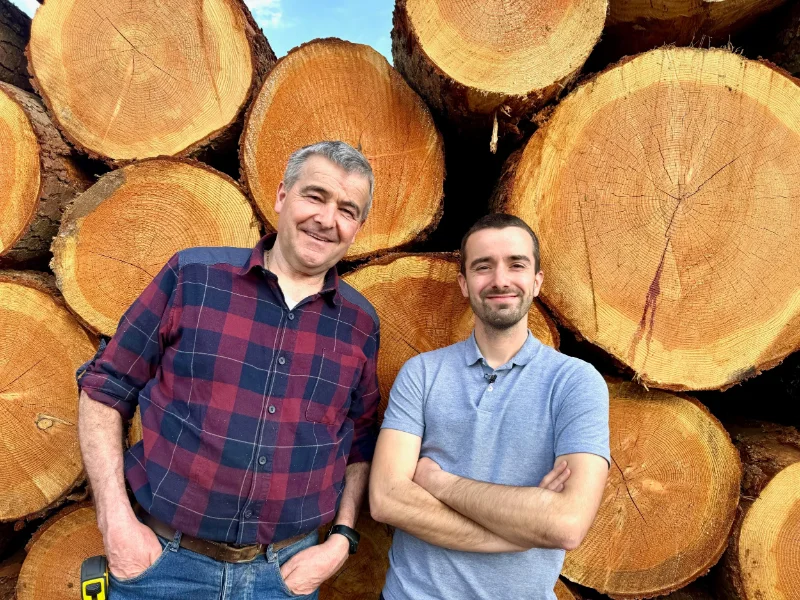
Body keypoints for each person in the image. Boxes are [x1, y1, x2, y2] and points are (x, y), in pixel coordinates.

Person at [77, 141, 381, 599]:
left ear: (358, 227)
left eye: (347, 209)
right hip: (162, 567)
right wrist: (115, 521)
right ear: (282, 197)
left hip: (284, 576)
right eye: (314, 196)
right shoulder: (193, 277)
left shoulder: (360, 323)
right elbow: (105, 387)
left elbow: (358, 441)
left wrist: (341, 538)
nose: (326, 219)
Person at [370, 213, 610, 600]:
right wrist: (520, 531)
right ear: (464, 283)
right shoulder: (422, 374)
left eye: (516, 264)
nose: (500, 280)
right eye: (483, 266)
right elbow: (386, 500)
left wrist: (437, 482)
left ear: (537, 281)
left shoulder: (576, 383)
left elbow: (566, 524)